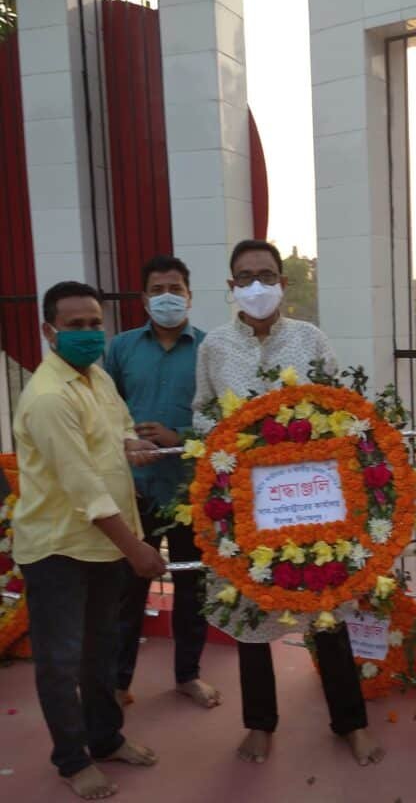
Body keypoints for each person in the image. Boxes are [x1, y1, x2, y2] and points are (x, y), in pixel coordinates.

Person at [193, 239, 383, 767]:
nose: (257, 285)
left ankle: (350, 724)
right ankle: (260, 725)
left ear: (283, 281)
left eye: (267, 274)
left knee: (327, 608)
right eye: (246, 276)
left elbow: (343, 412)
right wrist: (241, 439)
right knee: (250, 610)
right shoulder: (213, 347)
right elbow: (202, 416)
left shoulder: (311, 340)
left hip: (313, 502)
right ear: (231, 286)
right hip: (247, 505)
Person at [12, 281, 167, 801]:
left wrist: (133, 444)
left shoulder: (95, 376)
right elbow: (84, 489)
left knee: (100, 651)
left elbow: (117, 426)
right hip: (58, 546)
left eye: (93, 323)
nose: (87, 334)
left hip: (102, 546)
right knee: (60, 660)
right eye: (74, 326)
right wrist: (138, 549)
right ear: (48, 331)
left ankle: (105, 738)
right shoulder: (48, 396)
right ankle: (72, 760)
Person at [106, 256, 220, 710]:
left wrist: (182, 439)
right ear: (143, 298)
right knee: (128, 591)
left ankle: (188, 675)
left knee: (192, 588)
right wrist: (127, 439)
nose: (167, 296)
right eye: (157, 289)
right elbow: (104, 410)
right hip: (134, 491)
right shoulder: (122, 348)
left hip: (191, 492)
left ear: (190, 296)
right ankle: (118, 681)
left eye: (175, 288)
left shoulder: (211, 349)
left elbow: (225, 420)